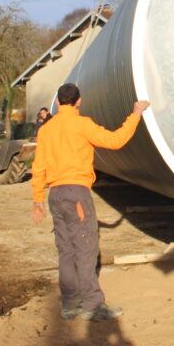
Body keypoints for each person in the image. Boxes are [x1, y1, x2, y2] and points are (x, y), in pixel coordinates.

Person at [31, 82, 150, 321]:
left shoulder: (46, 130)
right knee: (85, 249)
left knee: (65, 250)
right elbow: (116, 141)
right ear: (79, 101)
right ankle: (92, 306)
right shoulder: (82, 125)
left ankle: (70, 304)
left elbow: (39, 165)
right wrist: (135, 114)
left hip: (55, 195)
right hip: (77, 193)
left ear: (57, 102)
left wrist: (38, 201)